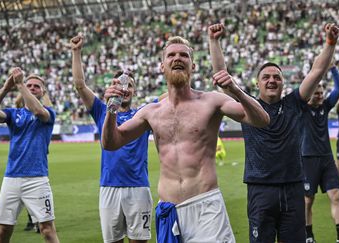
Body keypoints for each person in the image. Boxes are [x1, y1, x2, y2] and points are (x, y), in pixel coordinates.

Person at [101, 28, 269, 241]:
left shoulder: (212, 101)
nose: (177, 59)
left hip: (206, 206)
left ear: (193, 65)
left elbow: (262, 120)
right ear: (162, 66)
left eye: (184, 55)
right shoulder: (151, 112)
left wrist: (236, 90)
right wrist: (111, 111)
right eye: (171, 55)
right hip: (169, 210)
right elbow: (110, 143)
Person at [209, 23, 339, 242]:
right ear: (258, 83)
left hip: (293, 187)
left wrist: (330, 44)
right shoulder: (248, 107)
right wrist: (214, 41)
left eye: (277, 77)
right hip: (260, 190)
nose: (272, 80)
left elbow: (317, 71)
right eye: (266, 77)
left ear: (283, 82)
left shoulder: (294, 103)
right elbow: (223, 79)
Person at [70, 34, 153, 243]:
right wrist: (76, 52)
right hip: (109, 188)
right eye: (118, 84)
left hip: (138, 188)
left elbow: (170, 95)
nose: (124, 89)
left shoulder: (144, 112)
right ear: (111, 88)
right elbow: (80, 85)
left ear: (134, 91)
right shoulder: (100, 110)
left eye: (129, 86)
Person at [0, 68, 60, 243]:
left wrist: (20, 84)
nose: (31, 88)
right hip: (11, 178)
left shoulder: (48, 113)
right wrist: (5, 88)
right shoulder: (14, 114)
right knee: (3, 230)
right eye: (29, 85)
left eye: (36, 86)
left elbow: (38, 111)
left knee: (47, 230)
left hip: (37, 179)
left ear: (43, 91)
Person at [301, 63, 339, 243]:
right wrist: (313, 76)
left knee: (336, 195)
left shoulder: (325, 106)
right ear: (308, 93)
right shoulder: (301, 108)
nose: (319, 96)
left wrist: (333, 68)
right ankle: (308, 236)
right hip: (308, 159)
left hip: (327, 158)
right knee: (307, 201)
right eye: (316, 93)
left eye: (321, 92)